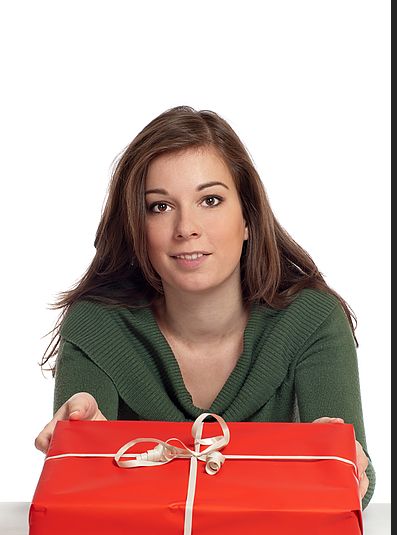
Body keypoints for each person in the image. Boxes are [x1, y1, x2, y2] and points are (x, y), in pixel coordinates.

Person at [35, 106, 375, 508]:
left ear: (248, 218)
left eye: (210, 200)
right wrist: (86, 446)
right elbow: (84, 495)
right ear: (135, 228)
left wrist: (342, 463)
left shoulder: (311, 320)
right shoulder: (98, 324)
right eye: (160, 206)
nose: (186, 228)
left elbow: (356, 486)